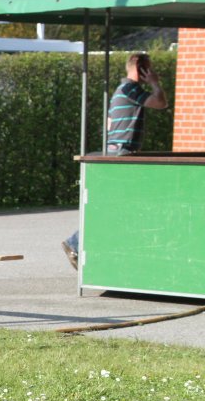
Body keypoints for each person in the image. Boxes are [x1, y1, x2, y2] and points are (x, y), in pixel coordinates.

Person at [63, 52, 168, 269]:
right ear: (139, 67)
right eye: (148, 68)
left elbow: (110, 124)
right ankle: (75, 242)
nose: (151, 72)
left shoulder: (122, 91)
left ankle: (78, 243)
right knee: (120, 206)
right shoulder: (131, 89)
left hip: (118, 152)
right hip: (122, 154)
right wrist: (155, 83)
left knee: (117, 206)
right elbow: (161, 103)